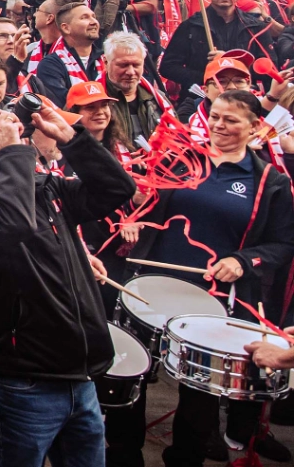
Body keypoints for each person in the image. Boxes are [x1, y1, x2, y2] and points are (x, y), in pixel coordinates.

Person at [0, 105, 136, 467]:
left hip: (80, 376)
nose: (17, 135)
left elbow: (118, 189)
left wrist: (72, 139)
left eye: (17, 130)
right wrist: (12, 152)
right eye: (3, 131)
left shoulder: (46, 187)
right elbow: (13, 224)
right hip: (24, 382)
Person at [122, 89, 294, 466]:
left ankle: (184, 458)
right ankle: (124, 455)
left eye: (231, 120)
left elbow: (283, 244)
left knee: (199, 401)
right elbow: (144, 200)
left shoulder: (270, 181)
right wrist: (133, 212)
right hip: (150, 290)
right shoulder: (182, 159)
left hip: (213, 302)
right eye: (215, 116)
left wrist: (245, 261)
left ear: (255, 127)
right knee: (133, 379)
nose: (219, 125)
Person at [161, 0, 271, 98]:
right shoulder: (190, 26)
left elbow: (269, 67)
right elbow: (167, 67)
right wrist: (208, 77)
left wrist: (229, 62)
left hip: (243, 99)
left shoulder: (256, 27)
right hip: (199, 99)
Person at [99, 30, 167, 148]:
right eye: (123, 65)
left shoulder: (159, 99)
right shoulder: (91, 101)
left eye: (136, 65)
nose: (130, 72)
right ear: (106, 62)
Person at [33, 2, 103, 106]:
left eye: (94, 17)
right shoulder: (49, 66)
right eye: (84, 18)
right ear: (66, 28)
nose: (94, 22)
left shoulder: (108, 59)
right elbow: (64, 105)